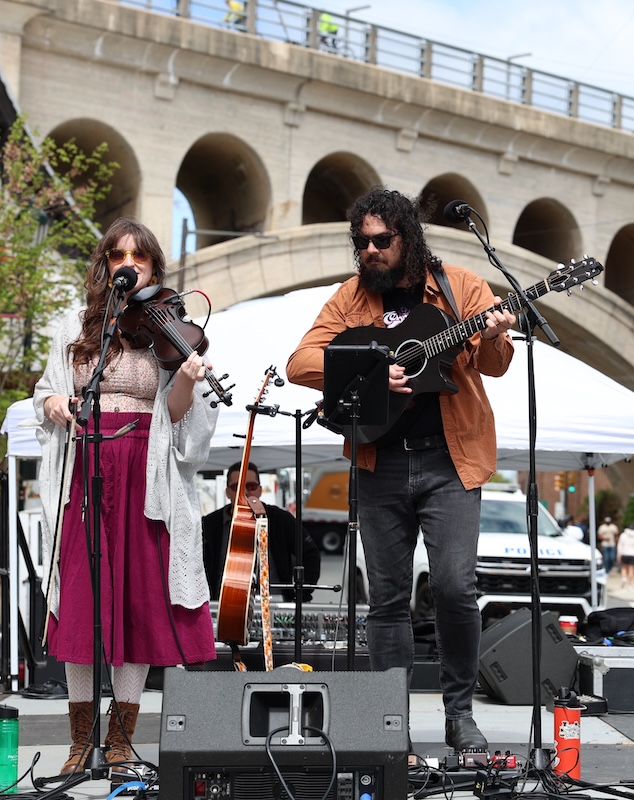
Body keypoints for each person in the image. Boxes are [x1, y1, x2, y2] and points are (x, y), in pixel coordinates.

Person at [286, 187, 516, 753]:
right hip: (378, 460)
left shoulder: (462, 288)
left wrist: (490, 334)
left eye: (381, 241)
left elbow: (498, 363)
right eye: (361, 243)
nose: (370, 252)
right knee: (387, 598)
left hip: (450, 460)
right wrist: (370, 363)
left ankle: (460, 714)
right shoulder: (349, 298)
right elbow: (300, 362)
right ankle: (392, 721)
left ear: (407, 239)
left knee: (455, 588)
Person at [32, 217, 219, 777]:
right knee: (84, 601)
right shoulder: (75, 324)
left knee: (137, 601)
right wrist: (55, 406)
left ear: (156, 270)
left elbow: (181, 420)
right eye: (118, 255)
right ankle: (78, 743)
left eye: (140, 257)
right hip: (85, 466)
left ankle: (119, 742)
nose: (128, 264)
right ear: (105, 266)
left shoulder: (170, 328)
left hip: (143, 471)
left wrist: (187, 376)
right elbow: (46, 391)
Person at [202, 461, 322, 603]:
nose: (245, 492)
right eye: (237, 487)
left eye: (251, 487)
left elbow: (310, 555)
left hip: (273, 606)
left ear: (259, 490)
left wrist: (301, 594)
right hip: (224, 608)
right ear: (228, 492)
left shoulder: (281, 519)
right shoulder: (209, 524)